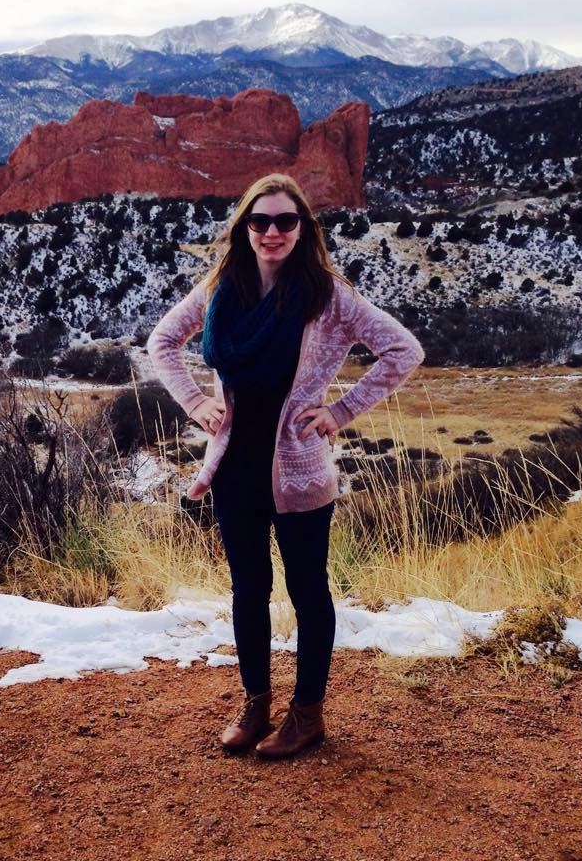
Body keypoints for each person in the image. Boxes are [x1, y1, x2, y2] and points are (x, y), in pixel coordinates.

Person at [147, 173, 425, 759]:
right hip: (234, 465)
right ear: (244, 227)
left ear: (302, 229)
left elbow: (404, 350)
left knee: (308, 591)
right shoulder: (223, 287)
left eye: (285, 221)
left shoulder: (326, 295)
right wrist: (195, 402)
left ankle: (307, 715)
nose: (272, 232)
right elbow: (163, 341)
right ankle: (255, 704)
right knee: (248, 589)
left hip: (299, 469)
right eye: (260, 220)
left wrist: (340, 410)